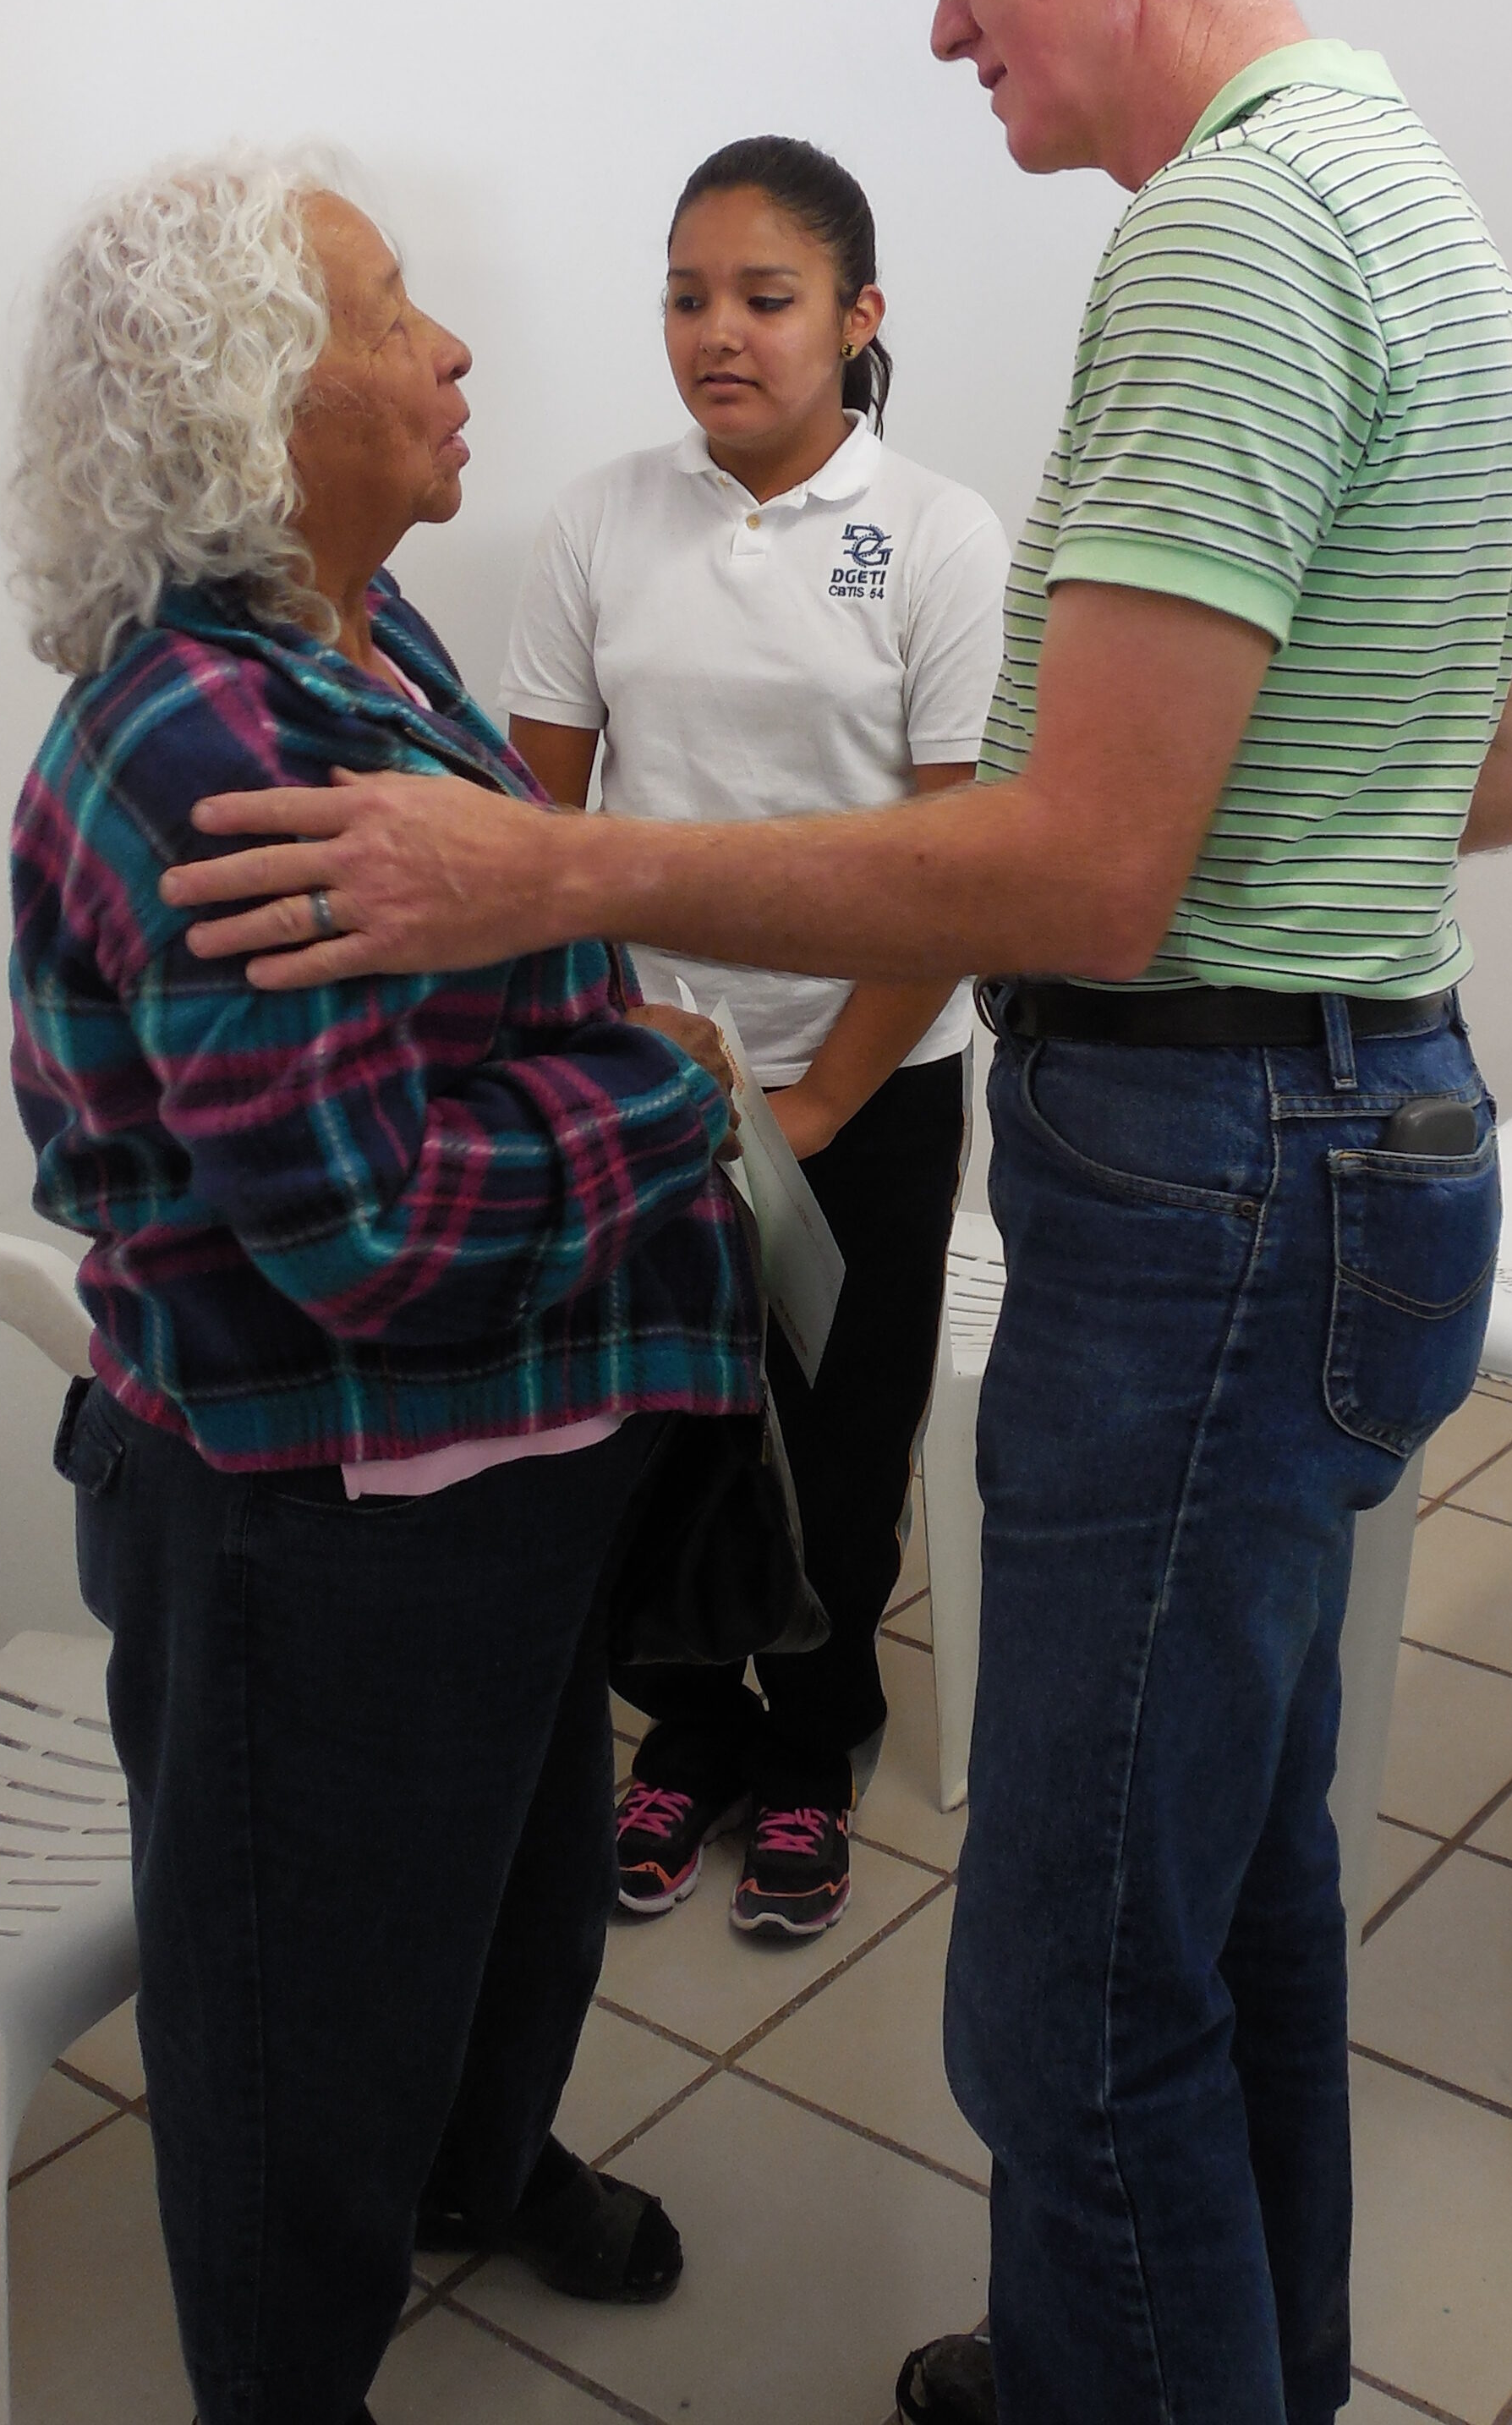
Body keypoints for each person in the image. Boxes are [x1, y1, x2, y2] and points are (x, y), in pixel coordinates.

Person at [160, 0, 1512, 2425]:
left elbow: (1074, 860)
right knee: (1231, 1891)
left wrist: (558, 874)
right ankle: (1198, 2367)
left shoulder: (1229, 237)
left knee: (1056, 1985)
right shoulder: (1409, 203)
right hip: (1367, 1118)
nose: (942, 26)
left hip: (1214, 1164)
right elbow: (1504, 765)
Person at [3, 151, 762, 2425]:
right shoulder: (217, 744)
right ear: (249, 408)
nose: (453, 349)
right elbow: (371, 1235)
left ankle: (478, 2161)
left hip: (499, 1468)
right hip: (327, 1506)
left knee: (517, 1893)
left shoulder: (362, 635)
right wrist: (677, 1095)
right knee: (293, 2021)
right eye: (393, 308)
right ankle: (290, 2374)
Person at [501, 134, 1008, 1942]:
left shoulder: (941, 539)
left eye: (766, 298)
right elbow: (539, 834)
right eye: (687, 296)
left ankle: (815, 1747)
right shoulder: (599, 522)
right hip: (655, 1078)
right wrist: (635, 1042)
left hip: (872, 1080)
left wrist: (819, 1097)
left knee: (838, 1436)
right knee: (657, 1422)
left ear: (860, 317)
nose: (719, 333)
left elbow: (956, 867)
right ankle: (693, 1733)